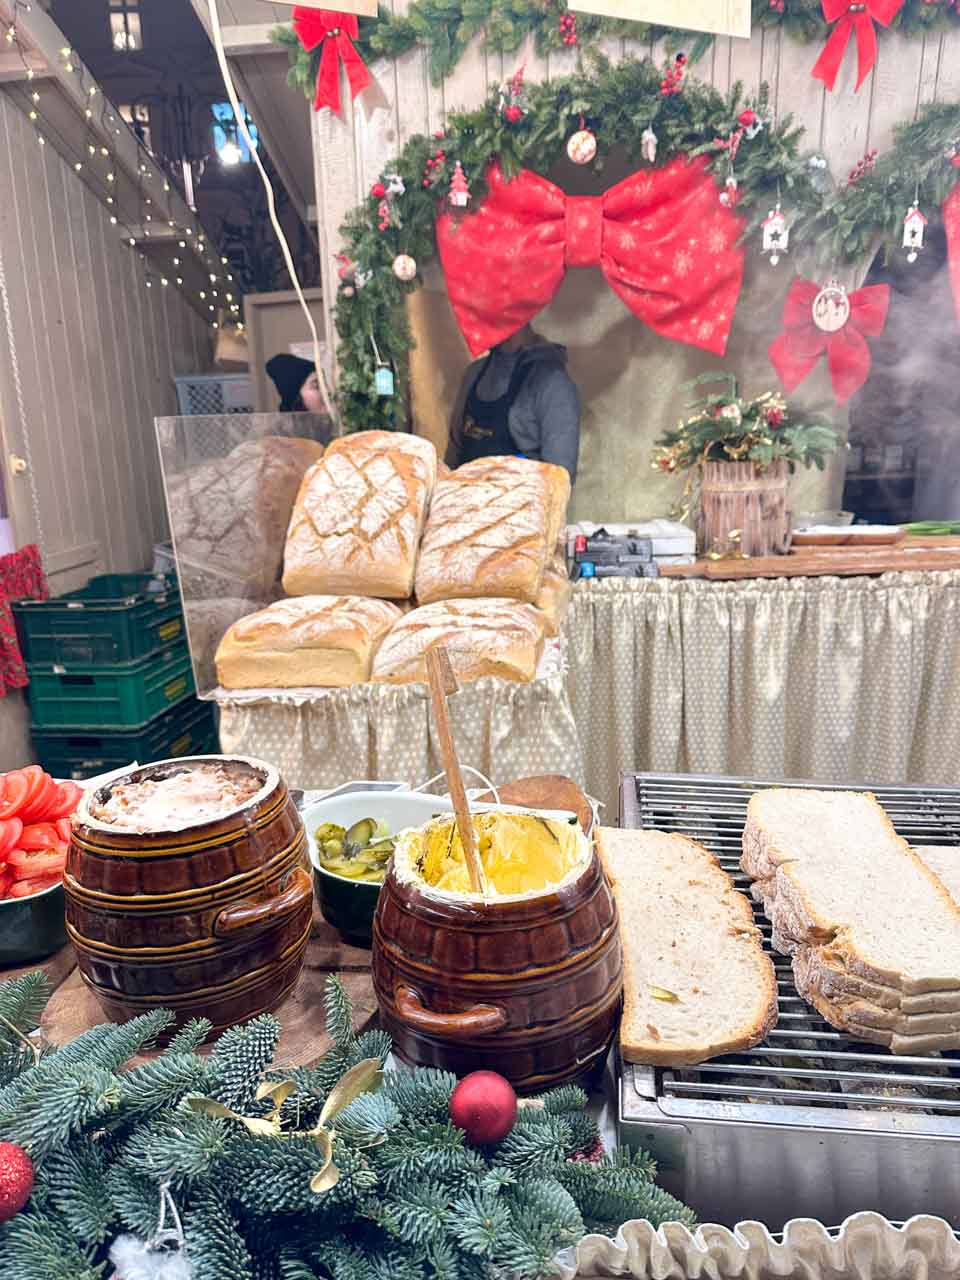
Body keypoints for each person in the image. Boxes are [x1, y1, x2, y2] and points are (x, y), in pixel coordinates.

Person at [446, 325, 580, 481]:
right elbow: (453, 455)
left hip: (521, 495)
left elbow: (559, 480)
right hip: (463, 492)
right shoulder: (474, 373)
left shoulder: (552, 383)